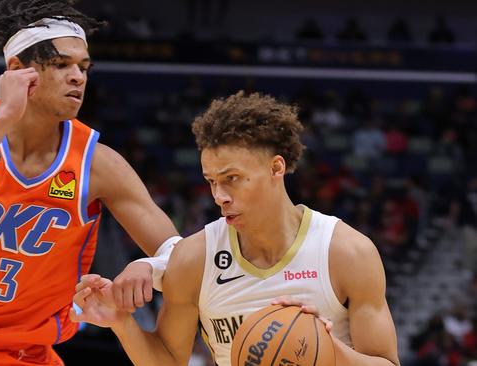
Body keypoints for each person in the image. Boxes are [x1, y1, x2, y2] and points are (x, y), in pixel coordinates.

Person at [0, 0, 179, 364]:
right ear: (17, 69)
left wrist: (147, 266)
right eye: (61, 65)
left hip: (25, 353)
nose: (78, 77)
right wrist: (2, 120)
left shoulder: (98, 164)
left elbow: (176, 251)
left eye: (84, 67)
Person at [73, 91, 401, 366]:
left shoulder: (346, 252)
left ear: (276, 167)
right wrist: (121, 323)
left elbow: (386, 362)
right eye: (211, 182)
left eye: (232, 179)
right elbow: (169, 360)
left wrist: (325, 347)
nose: (219, 196)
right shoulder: (195, 257)